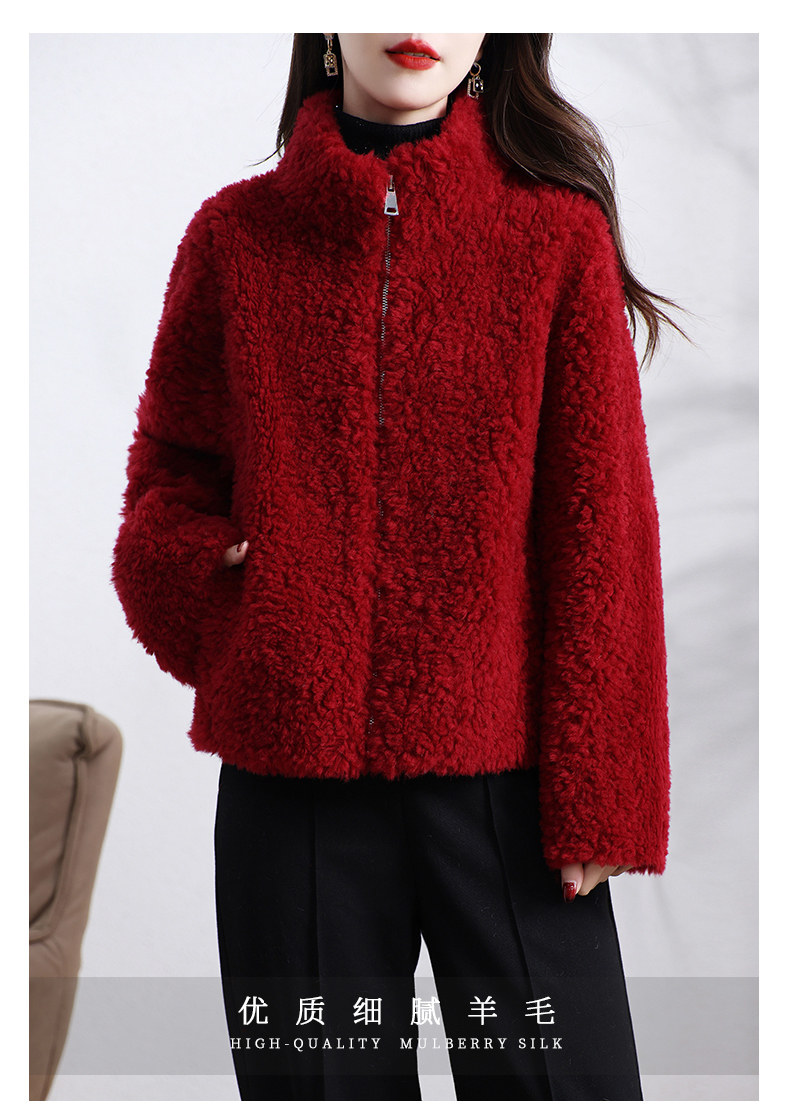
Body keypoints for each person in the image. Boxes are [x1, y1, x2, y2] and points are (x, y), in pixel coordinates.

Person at [112, 33, 685, 1101]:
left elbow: (602, 527)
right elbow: (168, 472)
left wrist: (604, 790)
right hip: (292, 785)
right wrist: (212, 581)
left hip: (507, 787)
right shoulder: (236, 237)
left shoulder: (554, 237)